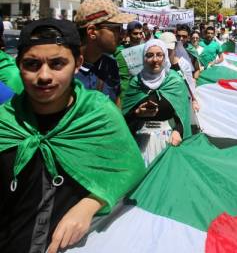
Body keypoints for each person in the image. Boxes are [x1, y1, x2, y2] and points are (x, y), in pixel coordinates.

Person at [0, 19, 145, 253]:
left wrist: (91, 203)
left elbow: (130, 169)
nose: (44, 75)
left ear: (77, 63)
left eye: (57, 64)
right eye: (32, 64)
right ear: (18, 65)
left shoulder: (98, 116)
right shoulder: (5, 121)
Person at [122, 39, 192, 165]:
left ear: (165, 57)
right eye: (150, 55)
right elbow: (124, 118)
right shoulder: (135, 83)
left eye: (159, 55)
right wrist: (137, 113)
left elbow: (183, 114)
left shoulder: (175, 81)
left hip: (169, 141)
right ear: (143, 58)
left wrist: (178, 131)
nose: (155, 60)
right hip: (139, 143)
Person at [74, 0, 136, 104]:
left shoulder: (111, 65)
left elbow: (116, 109)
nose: (122, 35)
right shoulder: (65, 70)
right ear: (92, 32)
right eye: (116, 29)